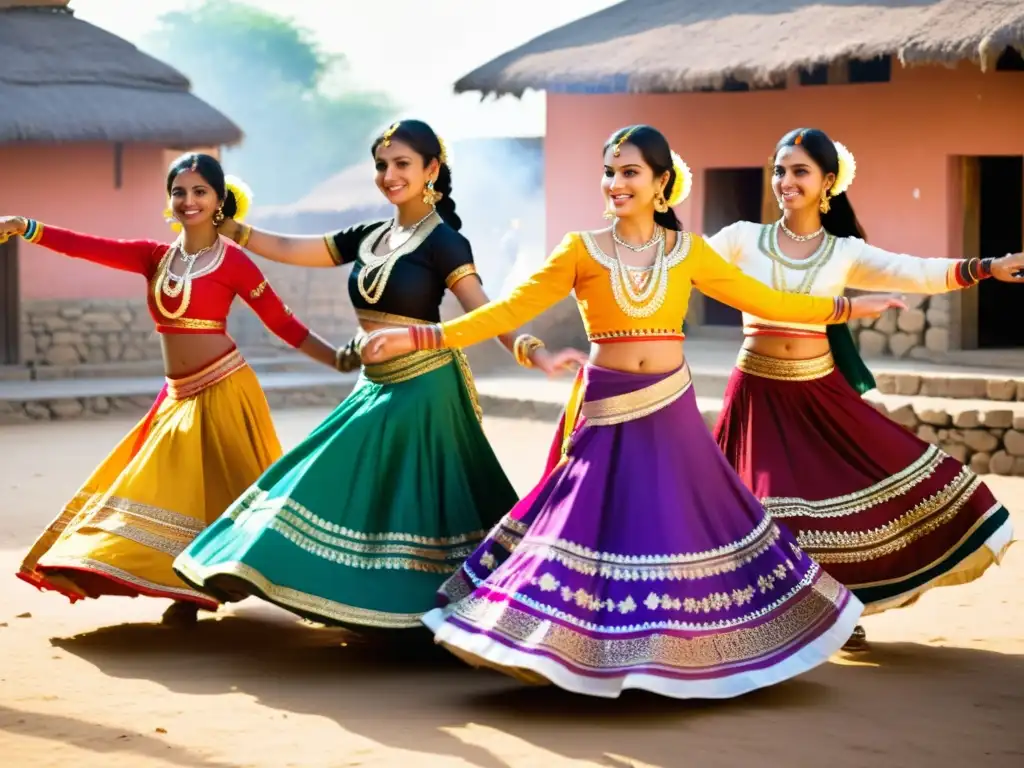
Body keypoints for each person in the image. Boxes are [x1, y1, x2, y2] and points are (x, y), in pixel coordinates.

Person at [361, 125, 906, 699]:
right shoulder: (580, 249)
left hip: (669, 406)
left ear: (661, 183)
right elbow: (504, 312)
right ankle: (563, 650)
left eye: (630, 173)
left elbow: (769, 301)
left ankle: (669, 657)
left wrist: (846, 306)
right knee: (598, 527)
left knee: (670, 531)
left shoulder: (689, 251)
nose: (615, 183)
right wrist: (424, 339)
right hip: (608, 406)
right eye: (610, 172)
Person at [173, 120, 585, 631]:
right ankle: (337, 597)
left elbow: (485, 308)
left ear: (432, 169)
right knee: (336, 484)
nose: (389, 175)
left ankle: (411, 611)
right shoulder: (370, 235)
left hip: (423, 389)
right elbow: (296, 248)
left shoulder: (445, 242)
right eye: (382, 165)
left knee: (349, 480)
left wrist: (534, 352)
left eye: (402, 164)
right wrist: (232, 229)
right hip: (374, 385)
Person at [707, 128, 1022, 649]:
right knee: (770, 508)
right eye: (780, 170)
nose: (786, 181)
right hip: (758, 394)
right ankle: (788, 616)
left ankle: (838, 610)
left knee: (832, 498)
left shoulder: (843, 251)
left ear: (828, 182)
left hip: (818, 394)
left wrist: (986, 267)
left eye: (800, 171)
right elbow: (681, 268)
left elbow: (913, 272)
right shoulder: (742, 238)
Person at [3, 153, 342, 626]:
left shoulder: (235, 262)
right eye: (179, 192)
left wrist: (341, 359)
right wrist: (28, 226)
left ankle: (220, 589)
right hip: (178, 394)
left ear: (220, 200)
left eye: (200, 191)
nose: (189, 201)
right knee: (165, 491)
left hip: (224, 389)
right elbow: (86, 246)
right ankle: (179, 587)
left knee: (225, 496)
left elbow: (284, 324)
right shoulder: (154, 257)